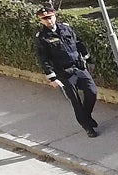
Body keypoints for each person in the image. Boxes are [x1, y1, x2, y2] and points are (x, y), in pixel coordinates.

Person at [34, 6, 99, 138]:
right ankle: (87, 127)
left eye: (50, 17)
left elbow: (78, 43)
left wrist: (88, 59)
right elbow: (43, 59)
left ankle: (86, 117)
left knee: (92, 91)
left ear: (55, 16)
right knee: (75, 101)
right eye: (45, 19)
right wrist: (52, 78)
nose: (48, 20)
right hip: (63, 73)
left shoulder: (66, 28)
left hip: (78, 67)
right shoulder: (42, 37)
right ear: (41, 21)